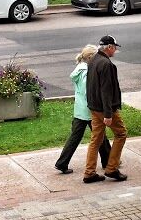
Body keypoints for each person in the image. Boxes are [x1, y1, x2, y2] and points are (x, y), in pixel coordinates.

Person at [54, 45, 111, 174]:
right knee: (100, 135)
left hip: (79, 110)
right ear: (91, 57)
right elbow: (88, 91)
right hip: (90, 109)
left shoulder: (79, 68)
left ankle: (62, 163)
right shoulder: (87, 71)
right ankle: (108, 161)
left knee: (75, 138)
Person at [83, 35, 127, 183]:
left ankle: (89, 173)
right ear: (109, 47)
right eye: (114, 47)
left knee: (96, 139)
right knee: (121, 134)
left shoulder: (93, 60)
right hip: (105, 109)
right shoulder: (106, 65)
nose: (115, 50)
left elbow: (90, 86)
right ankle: (112, 168)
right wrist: (108, 114)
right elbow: (106, 91)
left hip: (94, 107)